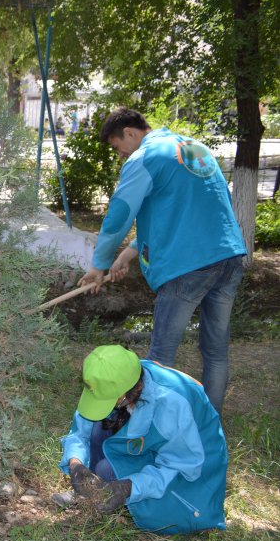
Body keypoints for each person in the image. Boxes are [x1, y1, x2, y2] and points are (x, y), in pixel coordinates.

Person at [78, 108, 247, 413]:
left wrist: (98, 265)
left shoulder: (145, 158)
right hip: (228, 256)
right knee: (216, 350)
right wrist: (128, 256)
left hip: (189, 266)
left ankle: (150, 425)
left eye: (117, 147)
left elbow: (119, 215)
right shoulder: (194, 148)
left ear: (130, 132)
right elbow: (179, 211)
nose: (120, 156)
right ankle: (210, 423)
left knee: (160, 354)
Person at [57, 345, 228, 534]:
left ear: (129, 393)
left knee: (107, 470)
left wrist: (129, 488)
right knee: (98, 431)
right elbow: (81, 430)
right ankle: (92, 492)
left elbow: (181, 467)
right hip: (160, 444)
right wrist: (75, 463)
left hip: (193, 472)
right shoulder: (114, 378)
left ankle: (111, 491)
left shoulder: (172, 405)